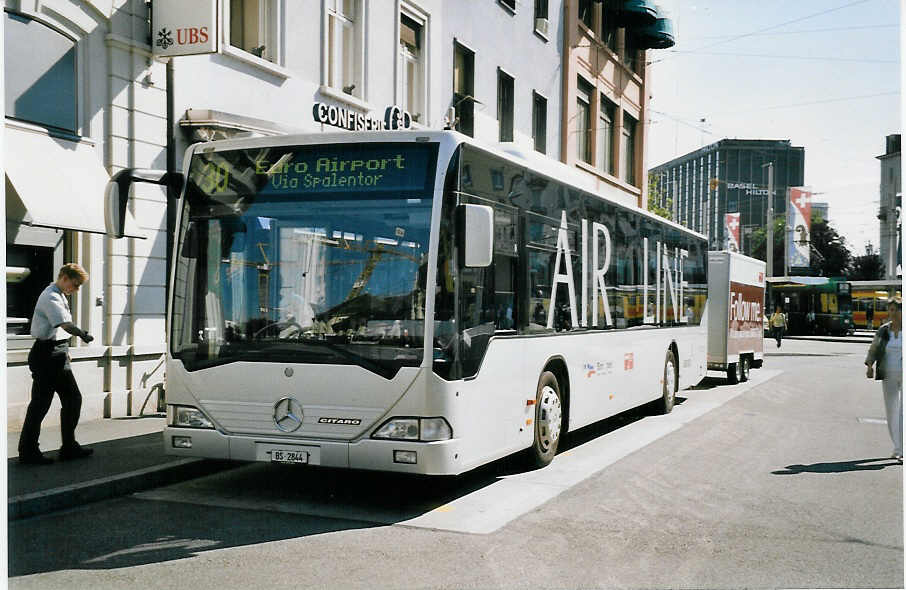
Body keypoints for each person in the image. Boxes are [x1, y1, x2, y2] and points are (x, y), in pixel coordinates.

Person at [17, 263, 95, 465]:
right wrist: (83, 335)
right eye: (75, 285)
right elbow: (65, 325)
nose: (76, 290)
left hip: (56, 353)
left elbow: (60, 331)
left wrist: (66, 352)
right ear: (65, 278)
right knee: (44, 404)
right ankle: (30, 451)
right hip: (47, 355)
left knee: (68, 400)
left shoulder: (58, 294)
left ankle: (64, 447)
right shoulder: (51, 296)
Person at [865, 297, 902, 462]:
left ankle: (903, 447)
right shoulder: (883, 330)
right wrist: (870, 365)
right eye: (891, 310)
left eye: (896, 310)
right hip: (888, 373)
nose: (893, 313)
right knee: (891, 411)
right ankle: (897, 447)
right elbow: (874, 348)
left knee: (903, 412)